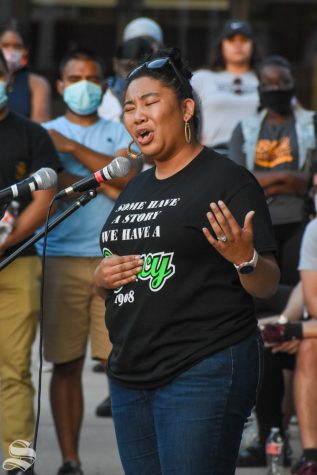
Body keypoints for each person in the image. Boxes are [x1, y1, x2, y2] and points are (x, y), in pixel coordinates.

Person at [93, 47, 280, 474]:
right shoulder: (135, 188)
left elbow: (267, 282)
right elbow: (112, 276)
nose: (137, 115)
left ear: (186, 109)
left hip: (202, 368)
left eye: (150, 103)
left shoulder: (227, 180)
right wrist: (100, 278)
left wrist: (244, 257)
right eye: (129, 107)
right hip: (129, 372)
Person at [35, 49, 138, 475]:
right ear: (60, 86)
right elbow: (46, 189)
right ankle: (71, 461)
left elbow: (128, 185)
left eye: (93, 78)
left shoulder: (122, 129)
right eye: (75, 77)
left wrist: (72, 151)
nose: (84, 86)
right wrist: (101, 177)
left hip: (114, 260)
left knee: (121, 363)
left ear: (104, 86)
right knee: (65, 364)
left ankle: (135, 460)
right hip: (58, 260)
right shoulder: (41, 132)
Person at [0, 50, 60, 475]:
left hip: (17, 261)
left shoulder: (32, 134)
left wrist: (6, 243)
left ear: (10, 79)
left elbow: (43, 200)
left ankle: (18, 465)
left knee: (14, 369)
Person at [229, 55, 317, 287]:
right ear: (260, 88)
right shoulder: (244, 129)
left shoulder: (312, 123)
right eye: (268, 84)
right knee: (263, 289)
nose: (275, 88)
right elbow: (240, 178)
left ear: (293, 83)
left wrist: (264, 181)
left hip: (299, 221)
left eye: (282, 82)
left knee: (292, 286)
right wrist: (288, 177)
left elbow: (310, 180)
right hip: (258, 223)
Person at [191, 19, 260, 154]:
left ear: (253, 45)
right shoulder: (201, 78)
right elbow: (180, 110)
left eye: (244, 40)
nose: (238, 45)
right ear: (221, 45)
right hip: (212, 155)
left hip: (256, 158)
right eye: (231, 40)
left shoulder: (265, 79)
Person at [0, 24, 51, 122]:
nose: (11, 51)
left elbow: (39, 127)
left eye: (17, 46)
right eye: (5, 45)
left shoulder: (37, 84)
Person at [98, 37, 154, 123]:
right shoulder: (98, 94)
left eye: (141, 70)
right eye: (128, 68)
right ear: (115, 64)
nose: (134, 75)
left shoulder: (157, 97)